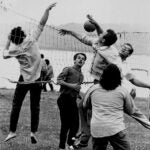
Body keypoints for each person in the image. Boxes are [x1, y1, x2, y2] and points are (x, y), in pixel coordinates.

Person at [3, 2, 57, 143]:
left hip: (24, 79)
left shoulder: (16, 49)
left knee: (16, 105)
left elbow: (3, 54)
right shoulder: (32, 39)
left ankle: (12, 131)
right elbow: (41, 23)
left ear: (14, 39)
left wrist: (8, 41)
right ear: (23, 34)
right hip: (37, 79)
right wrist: (47, 9)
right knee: (35, 106)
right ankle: (33, 132)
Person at [84, 64, 150, 150]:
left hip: (97, 128)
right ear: (119, 77)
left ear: (103, 75)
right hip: (115, 128)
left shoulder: (93, 88)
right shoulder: (122, 90)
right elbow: (131, 111)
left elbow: (85, 105)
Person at [57, 53, 87, 150]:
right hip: (64, 99)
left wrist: (79, 95)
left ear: (84, 62)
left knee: (75, 125)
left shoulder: (81, 76)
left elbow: (76, 89)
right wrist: (72, 86)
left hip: (73, 101)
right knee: (65, 124)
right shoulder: (68, 69)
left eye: (83, 59)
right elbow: (59, 80)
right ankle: (61, 146)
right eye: (79, 58)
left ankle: (70, 144)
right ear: (74, 60)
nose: (81, 60)